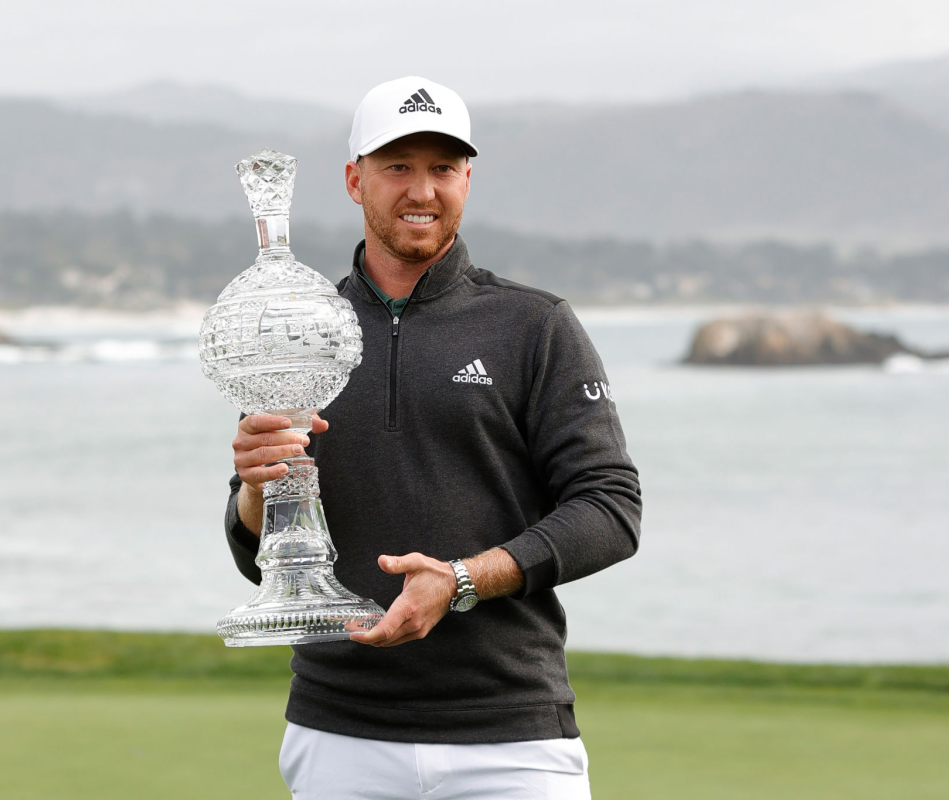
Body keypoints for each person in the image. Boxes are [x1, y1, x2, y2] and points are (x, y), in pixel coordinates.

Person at [224, 76, 642, 799]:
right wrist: (257, 489)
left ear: (468, 180)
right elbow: (251, 549)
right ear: (356, 181)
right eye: (398, 167)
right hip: (338, 733)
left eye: (443, 168)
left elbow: (611, 510)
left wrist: (465, 579)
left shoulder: (533, 325)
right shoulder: (299, 331)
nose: (423, 190)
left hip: (510, 737)